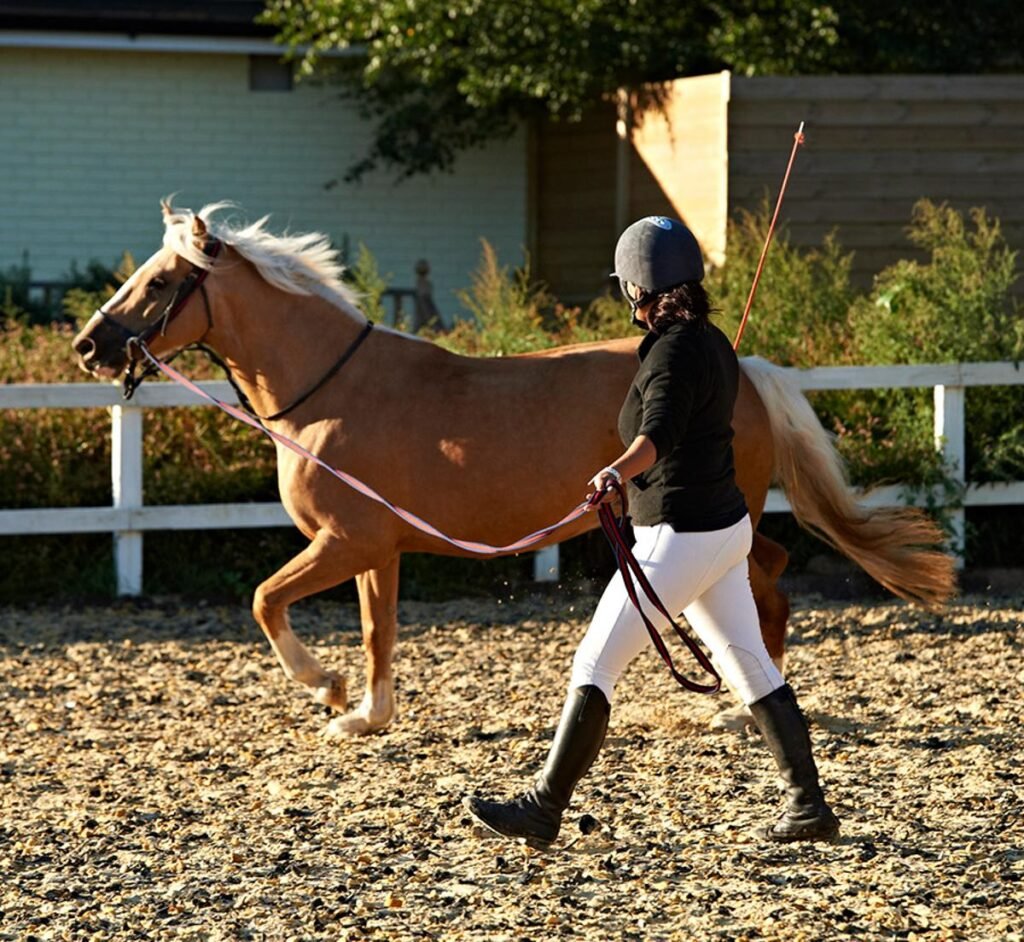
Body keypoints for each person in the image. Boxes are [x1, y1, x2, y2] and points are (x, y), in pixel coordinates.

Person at [463, 215, 840, 847]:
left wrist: (614, 470)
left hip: (679, 536)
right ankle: (810, 807)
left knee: (594, 662)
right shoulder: (713, 342)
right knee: (750, 666)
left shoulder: (671, 353)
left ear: (636, 289)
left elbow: (656, 434)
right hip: (726, 533)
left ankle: (543, 807)